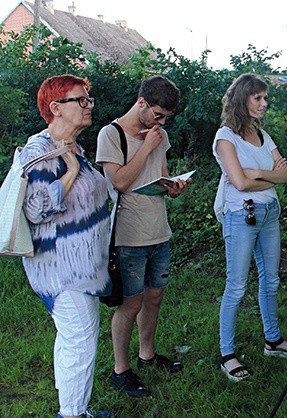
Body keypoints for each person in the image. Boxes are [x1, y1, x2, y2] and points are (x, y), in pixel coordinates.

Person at [21, 75, 112, 418]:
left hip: (83, 266)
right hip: (61, 268)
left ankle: (73, 405)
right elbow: (35, 208)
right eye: (81, 100)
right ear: (56, 108)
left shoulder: (75, 149)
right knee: (81, 341)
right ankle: (72, 414)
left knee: (72, 337)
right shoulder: (40, 151)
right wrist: (71, 170)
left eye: (89, 100)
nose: (89, 106)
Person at [96, 75, 190, 397]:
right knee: (130, 304)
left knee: (154, 297)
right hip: (129, 235)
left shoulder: (158, 135)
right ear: (141, 103)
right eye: (158, 115)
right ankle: (120, 371)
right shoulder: (111, 135)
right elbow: (119, 182)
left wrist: (174, 187)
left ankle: (147, 355)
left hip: (158, 231)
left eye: (166, 118)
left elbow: (160, 177)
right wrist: (147, 145)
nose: (161, 123)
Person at [212, 73, 287, 382]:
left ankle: (272, 340)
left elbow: (286, 176)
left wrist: (257, 173)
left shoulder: (262, 134)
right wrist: (266, 175)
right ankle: (227, 353)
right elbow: (239, 182)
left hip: (270, 212)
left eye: (265, 98)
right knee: (236, 286)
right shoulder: (226, 137)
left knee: (271, 280)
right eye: (258, 98)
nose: (264, 103)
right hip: (242, 214)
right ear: (242, 100)